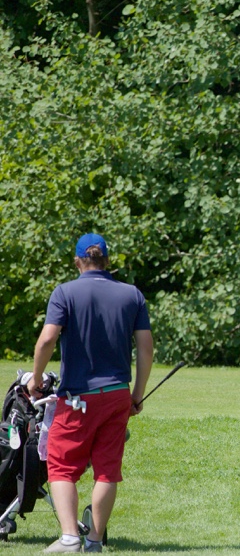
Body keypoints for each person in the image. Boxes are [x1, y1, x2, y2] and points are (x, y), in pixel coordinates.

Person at [27, 233, 153, 553]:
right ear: (107, 261)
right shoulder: (132, 295)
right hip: (117, 393)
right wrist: (137, 394)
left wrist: (36, 378)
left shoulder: (65, 292)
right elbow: (145, 348)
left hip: (78, 397)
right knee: (107, 470)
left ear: (77, 261)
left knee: (60, 465)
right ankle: (94, 540)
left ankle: (70, 537)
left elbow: (47, 339)